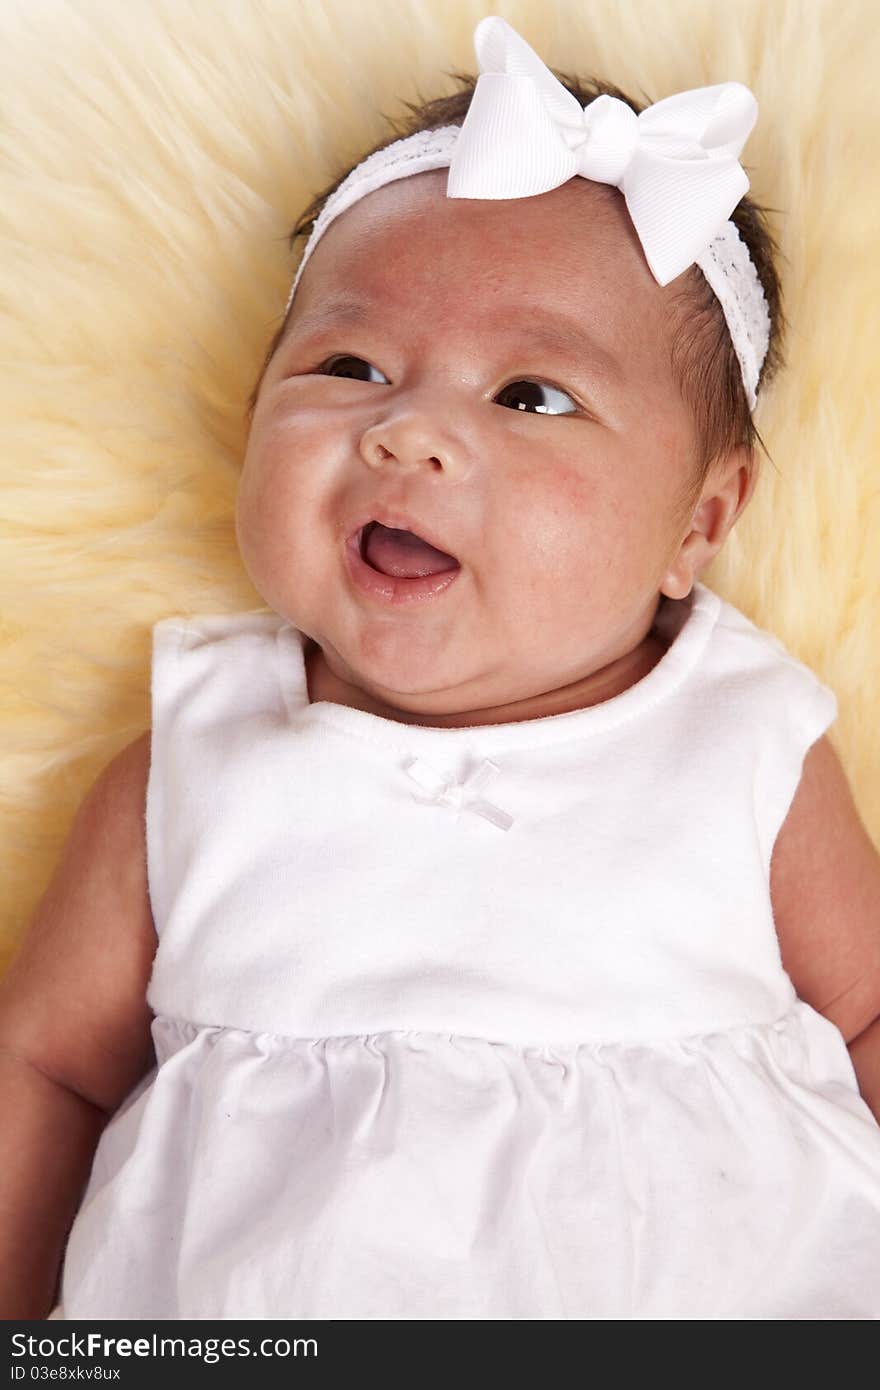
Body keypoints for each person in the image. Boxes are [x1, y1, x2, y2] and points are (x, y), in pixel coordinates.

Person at [2, 14, 879, 1320]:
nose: (410, 434)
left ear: (698, 525)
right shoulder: (199, 756)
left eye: (531, 396)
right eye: (350, 366)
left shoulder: (743, 737)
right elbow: (46, 1067)